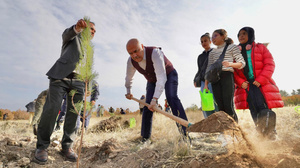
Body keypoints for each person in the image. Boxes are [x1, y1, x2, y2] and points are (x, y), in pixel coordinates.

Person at [34, 18, 96, 163]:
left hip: (80, 82)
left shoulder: (90, 48)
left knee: (74, 113)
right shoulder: (73, 37)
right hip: (60, 77)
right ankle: (42, 146)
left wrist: (89, 85)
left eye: (94, 30)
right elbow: (66, 35)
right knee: (52, 109)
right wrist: (77, 27)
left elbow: (89, 68)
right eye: (90, 28)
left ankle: (67, 147)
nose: (92, 32)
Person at [125, 38, 189, 143]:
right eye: (130, 53)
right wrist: (128, 91)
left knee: (171, 98)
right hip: (152, 80)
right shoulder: (131, 61)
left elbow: (161, 77)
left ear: (142, 46)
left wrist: (155, 100)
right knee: (147, 106)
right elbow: (129, 77)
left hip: (168, 74)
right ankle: (145, 139)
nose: (134, 55)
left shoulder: (155, 53)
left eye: (136, 51)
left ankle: (185, 135)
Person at [234, 27, 284, 139]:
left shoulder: (260, 48)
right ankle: (261, 134)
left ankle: (271, 133)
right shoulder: (235, 53)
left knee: (264, 107)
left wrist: (261, 79)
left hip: (260, 84)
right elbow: (233, 71)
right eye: (239, 34)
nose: (241, 36)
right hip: (246, 86)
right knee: (253, 109)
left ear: (250, 35)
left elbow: (269, 64)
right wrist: (240, 82)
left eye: (244, 34)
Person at [204, 29, 245, 122]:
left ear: (223, 36)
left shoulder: (232, 47)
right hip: (214, 79)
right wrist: (206, 84)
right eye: (212, 37)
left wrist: (230, 64)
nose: (213, 38)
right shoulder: (212, 52)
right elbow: (208, 69)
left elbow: (242, 63)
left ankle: (235, 130)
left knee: (228, 106)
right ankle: (225, 132)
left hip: (227, 76)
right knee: (220, 107)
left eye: (215, 36)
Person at [194, 33, 218, 118]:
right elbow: (200, 70)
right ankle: (209, 123)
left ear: (210, 41)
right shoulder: (200, 57)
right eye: (202, 42)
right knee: (205, 103)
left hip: (214, 80)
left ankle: (221, 122)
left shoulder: (215, 52)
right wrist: (195, 79)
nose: (203, 43)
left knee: (216, 102)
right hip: (203, 81)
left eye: (205, 41)